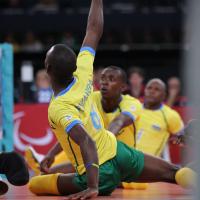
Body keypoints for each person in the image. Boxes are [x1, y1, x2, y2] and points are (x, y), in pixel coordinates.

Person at [28, 1, 196, 199]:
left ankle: (93, 181)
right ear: (75, 65)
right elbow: (93, 29)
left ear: (47, 70)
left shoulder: (59, 107)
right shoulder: (83, 71)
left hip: (99, 173)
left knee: (34, 184)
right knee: (175, 172)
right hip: (119, 152)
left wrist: (92, 186)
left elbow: (86, 141)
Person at [136, 78, 184, 159]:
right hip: (127, 163)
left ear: (164, 95)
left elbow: (182, 138)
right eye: (149, 88)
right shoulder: (134, 108)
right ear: (144, 91)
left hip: (151, 166)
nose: (151, 91)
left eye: (157, 89)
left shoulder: (170, 115)